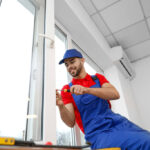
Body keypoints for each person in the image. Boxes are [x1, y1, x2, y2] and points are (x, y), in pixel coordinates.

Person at [56, 49, 150, 150]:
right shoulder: (67, 89)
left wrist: (87, 90)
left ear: (82, 60)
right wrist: (61, 106)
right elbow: (70, 122)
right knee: (143, 143)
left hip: (119, 123)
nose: (69, 66)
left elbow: (115, 94)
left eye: (72, 61)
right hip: (98, 133)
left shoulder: (98, 78)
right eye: (66, 65)